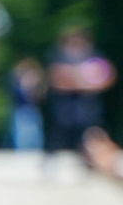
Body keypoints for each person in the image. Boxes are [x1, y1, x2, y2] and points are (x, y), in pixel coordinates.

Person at [47, 26, 116, 158]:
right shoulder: (59, 56)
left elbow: (107, 77)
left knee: (94, 137)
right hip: (65, 109)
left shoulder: (94, 55)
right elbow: (56, 79)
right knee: (60, 140)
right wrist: (83, 80)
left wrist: (77, 79)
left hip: (89, 109)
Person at [8, 58, 47, 153]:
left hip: (34, 112)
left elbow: (40, 98)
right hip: (22, 113)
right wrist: (26, 85)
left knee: (36, 139)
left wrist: (35, 86)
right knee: (22, 140)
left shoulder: (36, 87)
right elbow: (18, 97)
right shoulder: (16, 86)